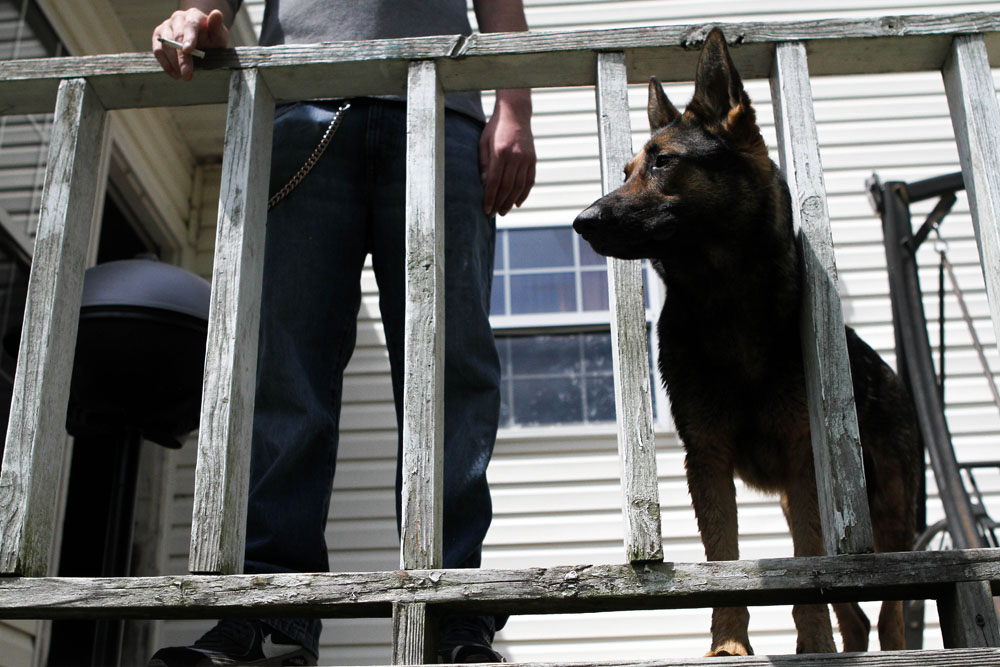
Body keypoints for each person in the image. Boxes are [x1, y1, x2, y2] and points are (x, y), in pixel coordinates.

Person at [148, 1, 536, 665]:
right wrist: (192, 15)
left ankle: (453, 622)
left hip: (441, 109)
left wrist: (516, 108)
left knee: (449, 374)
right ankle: (268, 619)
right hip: (300, 107)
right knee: (285, 372)